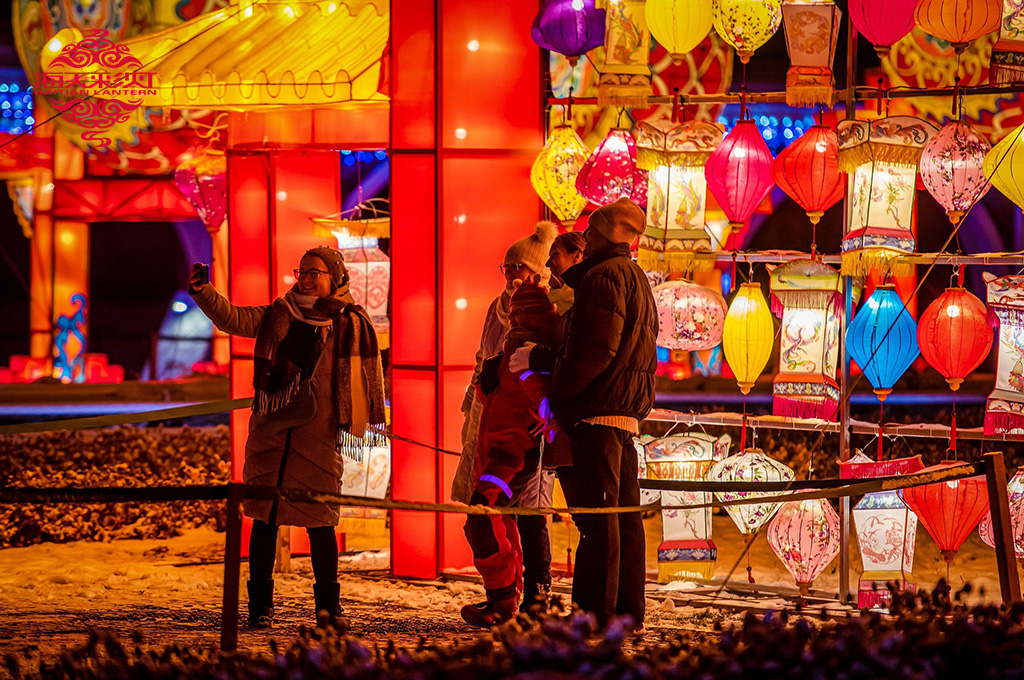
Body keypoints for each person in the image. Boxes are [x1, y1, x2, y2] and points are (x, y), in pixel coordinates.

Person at [189, 247, 386, 629]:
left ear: (335, 278)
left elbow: (362, 377)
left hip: (319, 436)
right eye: (303, 271)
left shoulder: (350, 323)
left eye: (316, 272)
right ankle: (260, 607)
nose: (307, 279)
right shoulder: (278, 313)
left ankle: (328, 609)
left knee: (321, 523)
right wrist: (204, 292)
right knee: (264, 520)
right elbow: (233, 319)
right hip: (272, 432)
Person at [549, 197, 657, 631]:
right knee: (624, 516)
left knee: (599, 519)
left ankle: (596, 613)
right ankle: (627, 610)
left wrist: (560, 395)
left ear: (606, 235)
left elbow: (594, 349)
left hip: (598, 409)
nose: (586, 236)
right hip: (624, 410)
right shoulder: (634, 276)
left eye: (592, 230)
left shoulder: (605, 276)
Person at [452, 221, 558, 612]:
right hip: (491, 420)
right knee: (494, 513)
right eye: (509, 268)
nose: (514, 276)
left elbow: (539, 374)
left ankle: (535, 590)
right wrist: (480, 392)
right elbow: (486, 360)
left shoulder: (545, 313)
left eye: (522, 268)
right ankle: (503, 594)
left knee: (526, 512)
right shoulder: (497, 311)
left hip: (524, 431)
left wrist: (545, 409)